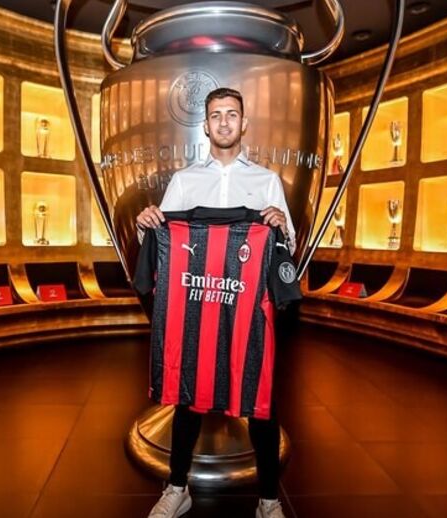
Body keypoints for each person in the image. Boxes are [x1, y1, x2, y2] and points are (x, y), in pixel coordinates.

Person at [137, 87, 294, 518]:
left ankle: (268, 500)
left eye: (232, 114)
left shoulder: (267, 182)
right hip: (196, 310)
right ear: (205, 126)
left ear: (244, 123)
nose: (224, 122)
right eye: (216, 115)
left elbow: (287, 249)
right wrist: (147, 225)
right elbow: (164, 242)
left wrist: (282, 226)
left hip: (247, 314)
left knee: (261, 405)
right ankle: (177, 488)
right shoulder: (184, 181)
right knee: (187, 401)